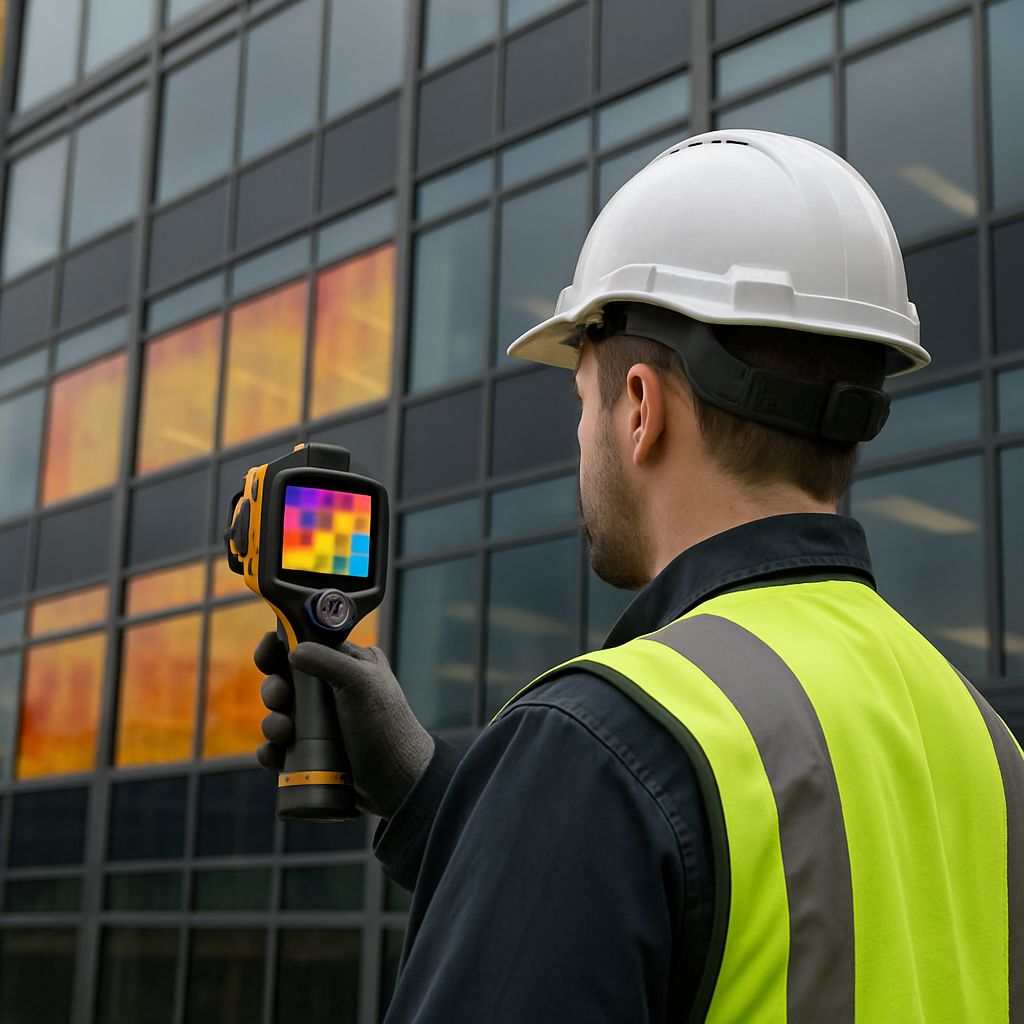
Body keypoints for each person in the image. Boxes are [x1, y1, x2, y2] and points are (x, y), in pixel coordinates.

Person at [256, 130, 1023, 1023]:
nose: (578, 441)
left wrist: (533, 804)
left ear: (640, 410)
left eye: (583, 402)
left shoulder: (601, 743)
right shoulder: (990, 749)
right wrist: (437, 800)